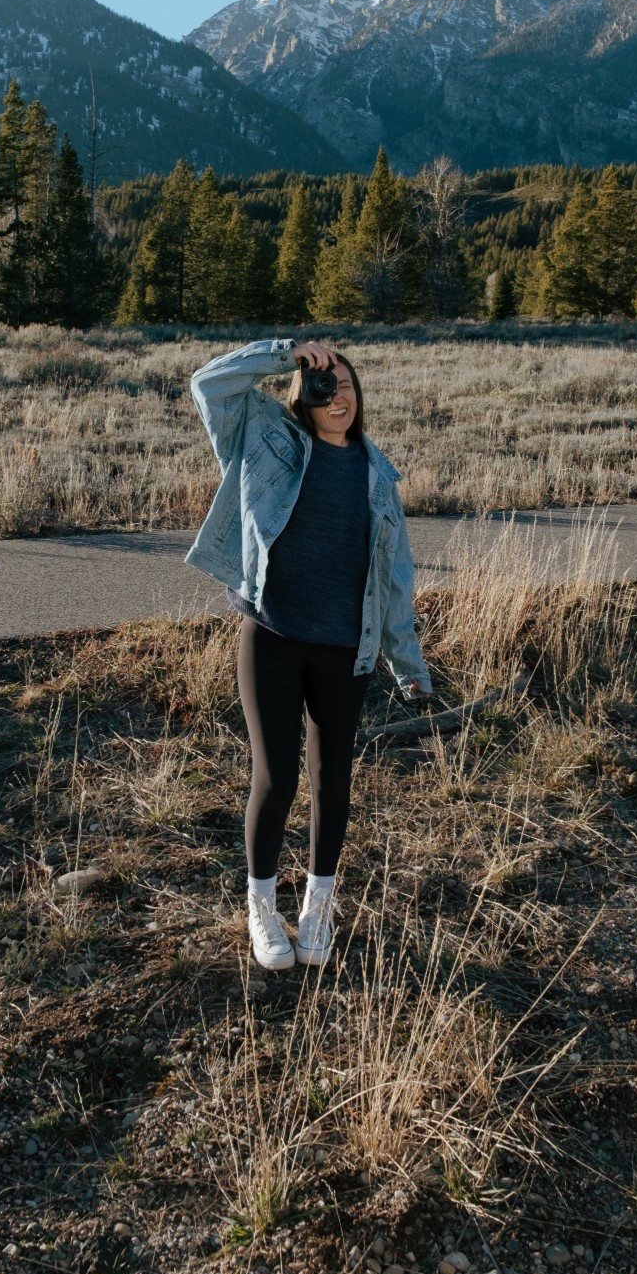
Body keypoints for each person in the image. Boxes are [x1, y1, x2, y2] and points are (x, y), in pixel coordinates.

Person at [185, 336, 432, 972]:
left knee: (333, 779)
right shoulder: (267, 437)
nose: (338, 395)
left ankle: (318, 905)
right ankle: (261, 906)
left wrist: (410, 666)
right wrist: (287, 351)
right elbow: (209, 383)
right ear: (303, 391)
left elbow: (395, 575)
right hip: (270, 633)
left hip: (347, 648)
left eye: (348, 384)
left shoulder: (379, 476)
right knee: (277, 776)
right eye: (325, 383)